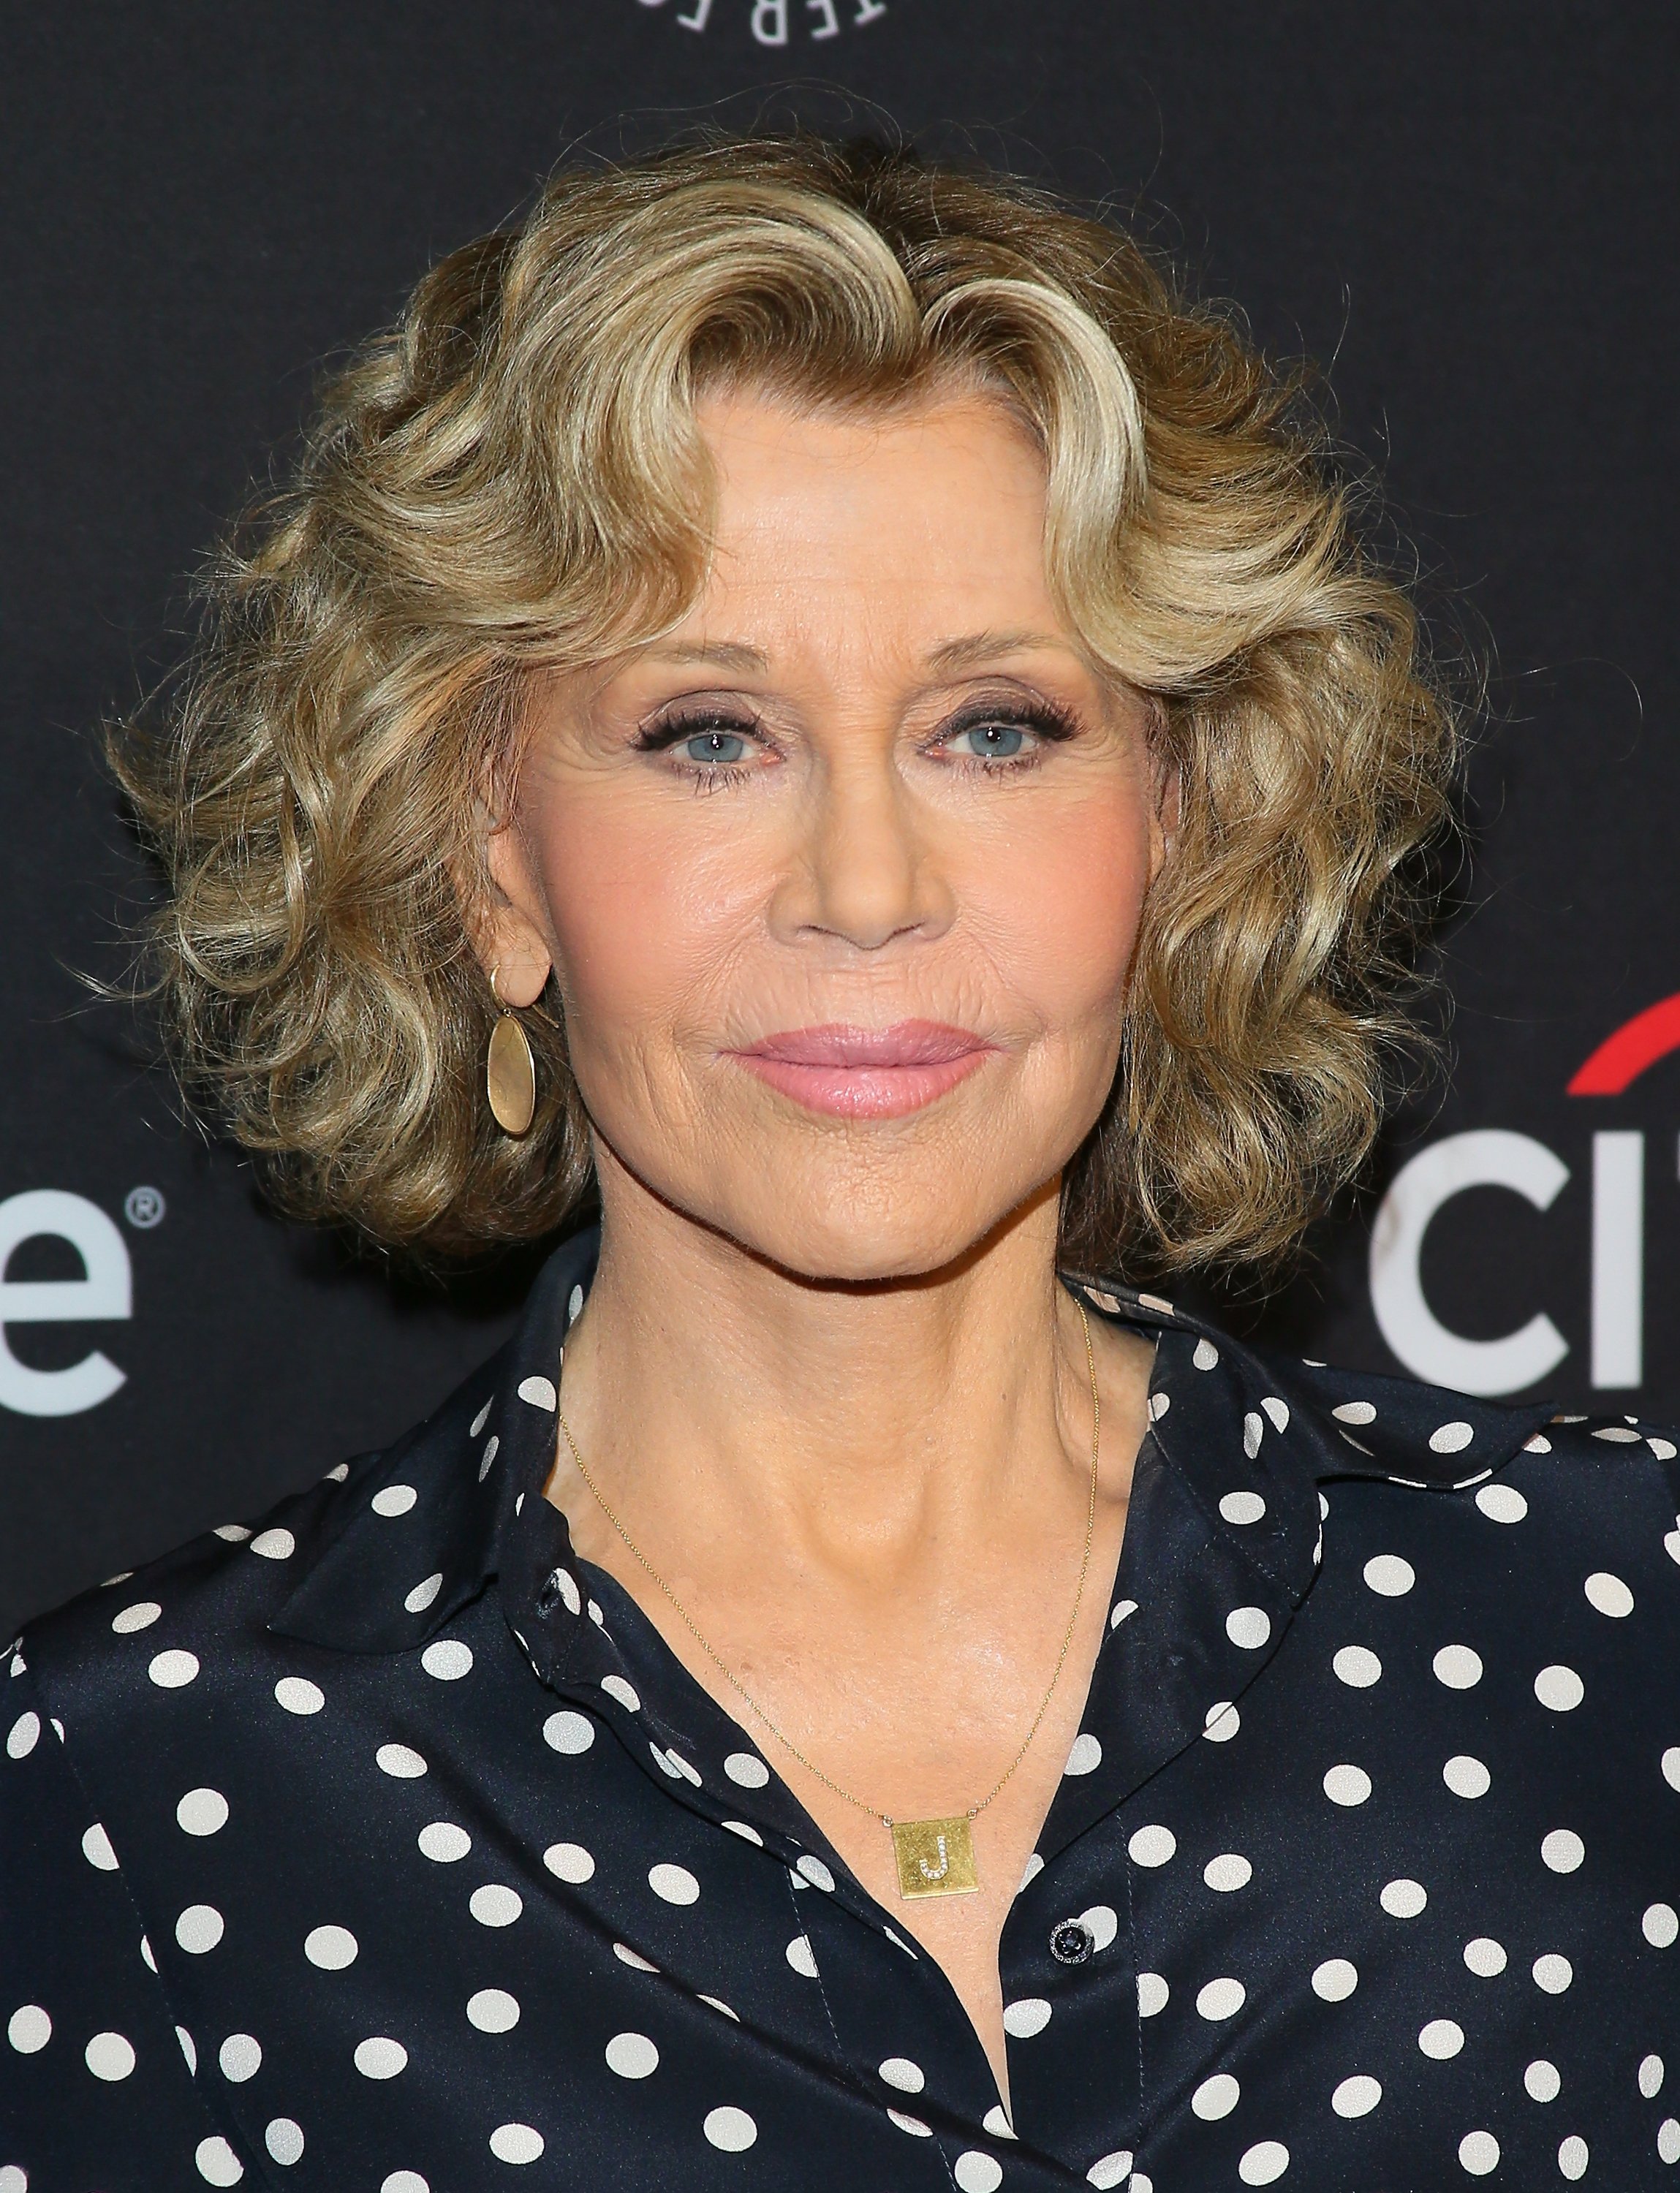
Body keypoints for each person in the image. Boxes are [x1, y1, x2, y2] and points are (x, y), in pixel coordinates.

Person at [3, 135, 1675, 2193]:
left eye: (996, 728)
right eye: (709, 733)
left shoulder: (1609, 1628)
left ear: (1178, 824)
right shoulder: (146, 1792)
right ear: (488, 859)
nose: (865, 888)